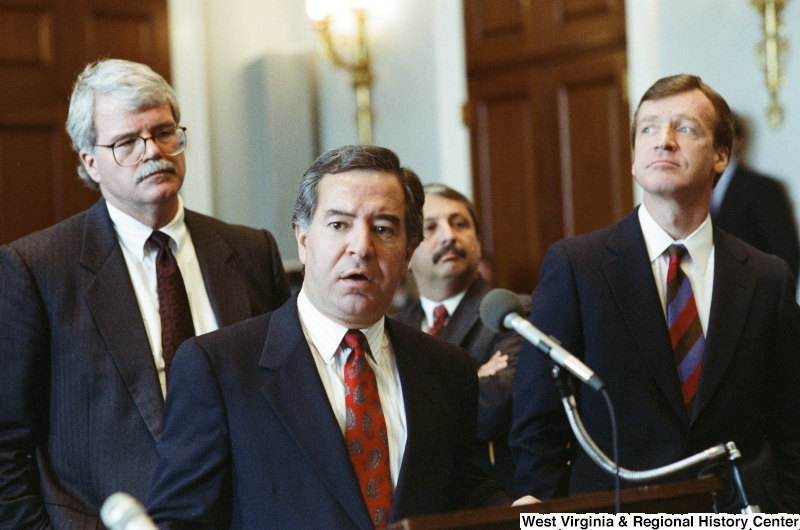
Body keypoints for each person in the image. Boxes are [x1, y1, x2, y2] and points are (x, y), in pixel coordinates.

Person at [145, 145, 511, 529]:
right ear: (303, 240)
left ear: (407, 254)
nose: (361, 248)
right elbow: (179, 520)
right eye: (338, 225)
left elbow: (461, 490)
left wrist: (522, 512)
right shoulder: (219, 367)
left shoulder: (446, 366)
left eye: (383, 229)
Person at [0, 59, 291, 529]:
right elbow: (5, 446)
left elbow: (290, 400)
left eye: (163, 132)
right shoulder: (35, 269)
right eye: (127, 143)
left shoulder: (252, 250)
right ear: (90, 162)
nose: (152, 151)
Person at [510, 74, 800, 512]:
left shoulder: (767, 277)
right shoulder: (577, 266)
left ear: (721, 155)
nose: (663, 141)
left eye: (684, 127)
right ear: (633, 158)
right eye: (648, 128)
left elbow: (790, 426)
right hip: (614, 514)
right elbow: (538, 426)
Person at [395, 183, 530, 495]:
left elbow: (492, 411)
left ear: (479, 241)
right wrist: (472, 378)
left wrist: (413, 394)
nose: (449, 236)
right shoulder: (394, 328)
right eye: (430, 228)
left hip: (491, 497)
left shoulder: (514, 313)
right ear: (407, 252)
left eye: (459, 224)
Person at [711, 112, 800, 279]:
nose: (715, 143)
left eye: (723, 136)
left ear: (738, 140)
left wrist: (778, 301)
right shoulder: (693, 187)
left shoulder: (763, 188)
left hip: (753, 294)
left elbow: (786, 253)